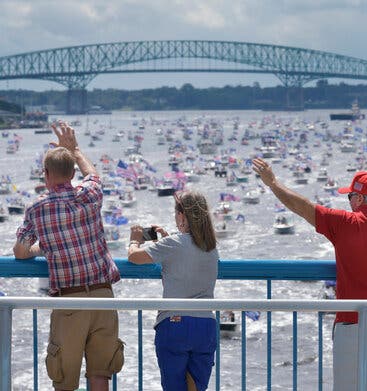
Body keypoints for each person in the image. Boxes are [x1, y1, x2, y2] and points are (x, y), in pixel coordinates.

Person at [252, 158, 367, 391]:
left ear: (359, 198)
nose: (348, 202)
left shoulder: (344, 223)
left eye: (350, 197)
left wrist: (273, 183)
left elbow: (302, 207)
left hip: (352, 323)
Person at [13, 121, 123, 391]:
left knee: (64, 379)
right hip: (103, 297)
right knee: (100, 374)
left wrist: (44, 246)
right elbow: (94, 175)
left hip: (69, 301)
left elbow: (21, 251)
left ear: (46, 175)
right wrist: (75, 150)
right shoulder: (90, 194)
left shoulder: (37, 209)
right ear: (73, 173)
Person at [127, 190, 219, 391]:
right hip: (205, 326)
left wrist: (135, 239)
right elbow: (185, 255)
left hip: (174, 324)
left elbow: (134, 257)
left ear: (182, 215)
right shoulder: (211, 247)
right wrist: (166, 238)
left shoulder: (174, 244)